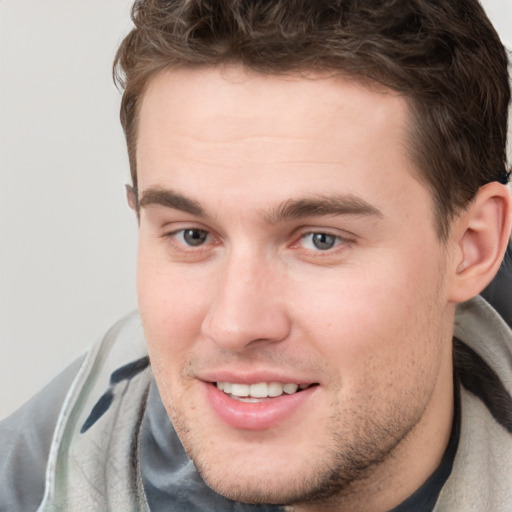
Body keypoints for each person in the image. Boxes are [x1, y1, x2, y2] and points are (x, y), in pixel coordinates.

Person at [2, 0, 512, 510]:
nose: (235, 324)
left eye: (320, 240)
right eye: (193, 236)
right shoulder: (35, 483)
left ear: (473, 248)